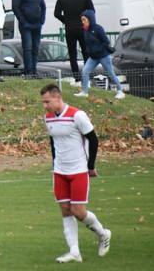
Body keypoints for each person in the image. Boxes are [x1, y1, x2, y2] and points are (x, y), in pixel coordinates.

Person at [40, 83, 111, 263]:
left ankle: (103, 234)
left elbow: (93, 139)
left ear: (58, 97)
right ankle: (74, 252)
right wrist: (55, 164)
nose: (45, 105)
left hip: (78, 170)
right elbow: (53, 142)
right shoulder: (48, 118)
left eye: (47, 101)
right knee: (65, 210)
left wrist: (91, 166)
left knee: (78, 212)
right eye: (43, 102)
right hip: (59, 171)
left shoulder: (77, 115)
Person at [74, 10, 125, 100]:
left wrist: (98, 50)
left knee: (110, 73)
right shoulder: (85, 30)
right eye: (82, 20)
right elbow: (88, 43)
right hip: (93, 57)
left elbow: (106, 41)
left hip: (103, 56)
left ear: (90, 19)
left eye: (84, 20)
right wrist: (88, 51)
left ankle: (120, 91)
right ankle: (85, 92)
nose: (83, 22)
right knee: (85, 71)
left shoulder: (98, 28)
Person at [55, 0, 95, 77]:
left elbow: (56, 13)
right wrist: (86, 21)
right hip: (83, 29)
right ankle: (86, 76)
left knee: (73, 54)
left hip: (70, 28)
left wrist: (65, 20)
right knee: (86, 52)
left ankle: (76, 77)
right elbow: (92, 11)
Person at [12, 0, 46, 76]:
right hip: (26, 25)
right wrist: (23, 21)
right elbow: (15, 7)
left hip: (37, 24)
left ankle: (34, 70)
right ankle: (28, 71)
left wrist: (42, 20)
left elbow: (43, 7)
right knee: (27, 48)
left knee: (36, 48)